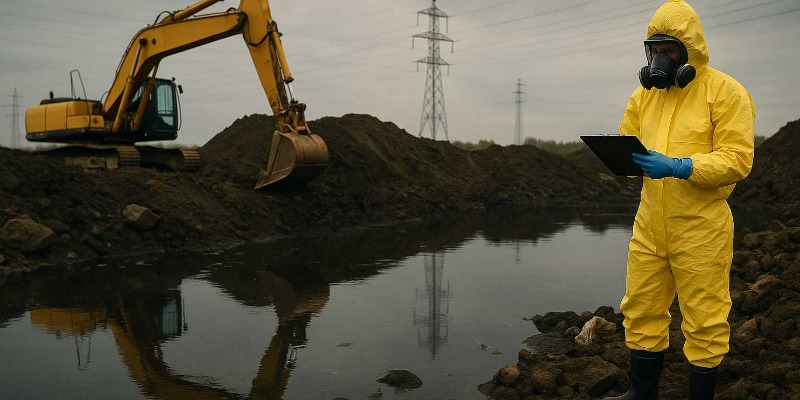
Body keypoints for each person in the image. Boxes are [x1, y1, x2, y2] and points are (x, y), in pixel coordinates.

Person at [606, 1, 755, 399]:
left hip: (700, 227)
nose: (660, 59)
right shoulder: (644, 96)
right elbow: (628, 142)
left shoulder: (725, 92)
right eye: (654, 50)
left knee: (705, 319)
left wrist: (680, 166)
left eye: (669, 50)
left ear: (689, 50)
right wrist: (621, 157)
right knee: (641, 308)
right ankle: (642, 394)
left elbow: (738, 159)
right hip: (649, 225)